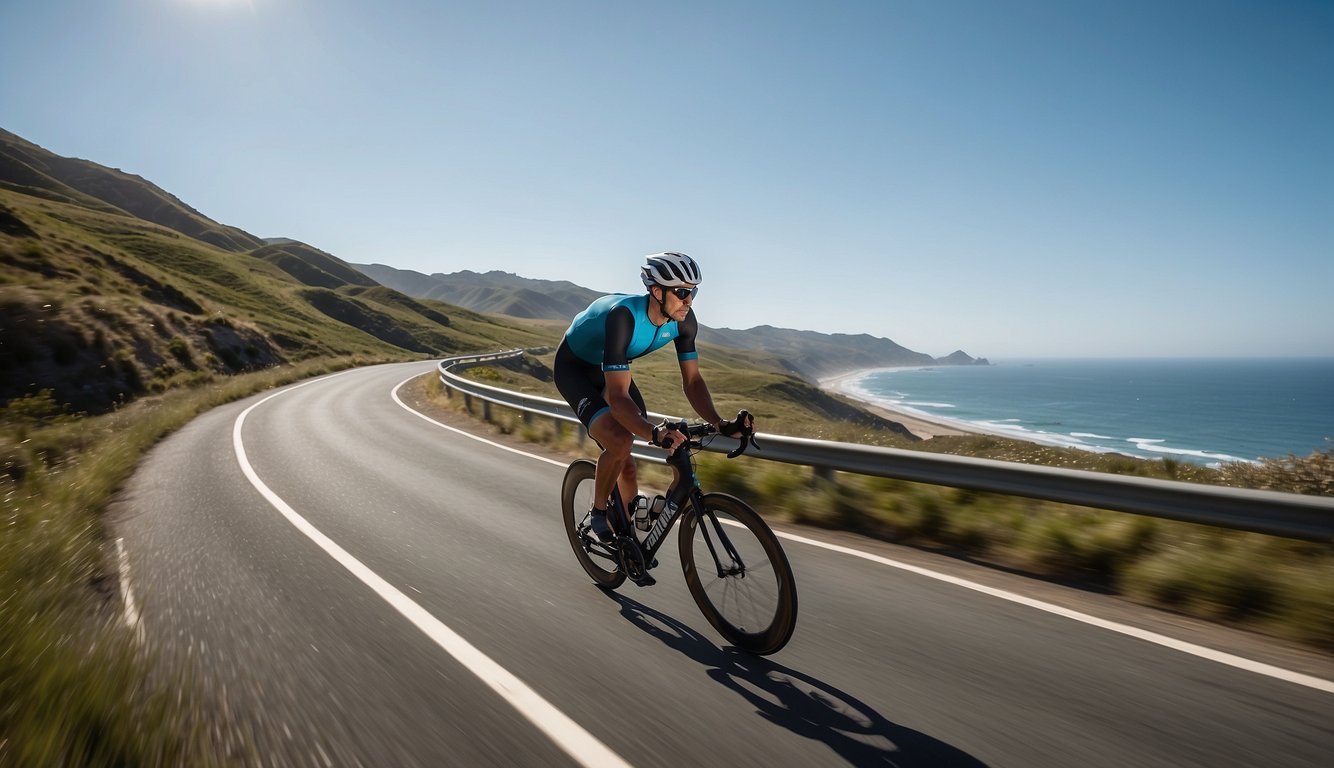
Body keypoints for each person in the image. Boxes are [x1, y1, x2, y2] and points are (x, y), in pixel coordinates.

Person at [554, 252, 753, 541]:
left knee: (630, 469)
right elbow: (620, 396)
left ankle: (625, 538)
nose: (690, 301)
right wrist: (654, 432)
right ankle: (598, 512)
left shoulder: (683, 321)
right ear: (657, 291)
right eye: (682, 292)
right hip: (576, 370)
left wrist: (721, 423)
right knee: (620, 441)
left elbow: (693, 380)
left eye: (693, 291)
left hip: (611, 371)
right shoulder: (623, 317)